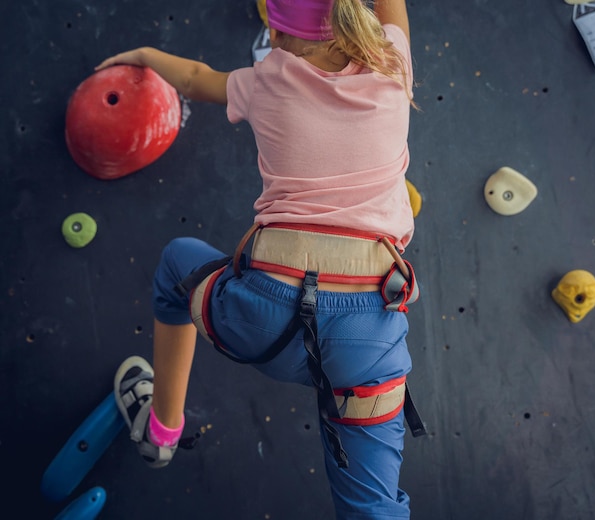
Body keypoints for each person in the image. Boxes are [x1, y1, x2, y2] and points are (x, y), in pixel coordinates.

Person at [98, 0, 425, 518]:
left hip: (260, 319)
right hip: (367, 345)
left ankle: (161, 430)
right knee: (372, 510)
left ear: (275, 32)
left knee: (177, 264)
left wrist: (142, 53)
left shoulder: (265, 80)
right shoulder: (394, 67)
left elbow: (197, 77)